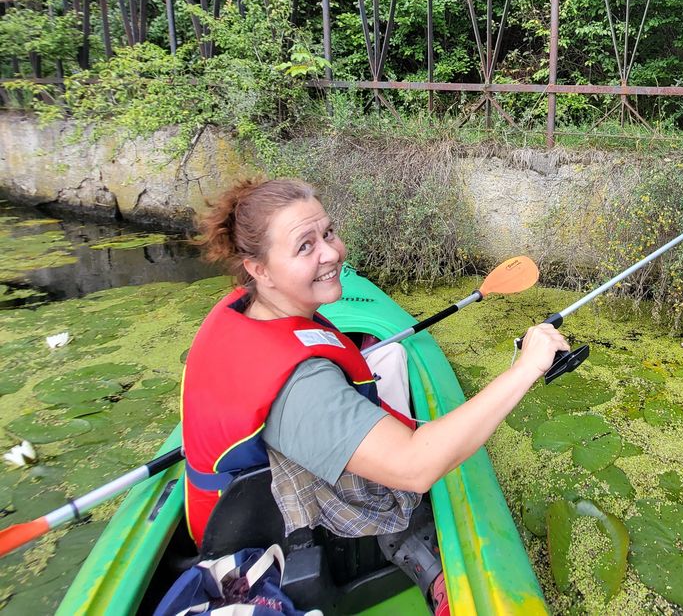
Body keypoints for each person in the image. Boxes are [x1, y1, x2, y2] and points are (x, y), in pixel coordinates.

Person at [181, 178, 566, 615]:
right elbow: (415, 466)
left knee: (393, 362)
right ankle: (418, 551)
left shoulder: (242, 308)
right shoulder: (302, 385)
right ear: (260, 269)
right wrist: (527, 367)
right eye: (304, 247)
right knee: (410, 468)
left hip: (229, 505)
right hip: (270, 529)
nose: (330, 253)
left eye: (327, 233)